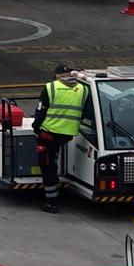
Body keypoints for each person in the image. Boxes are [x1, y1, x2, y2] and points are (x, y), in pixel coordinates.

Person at [33, 64, 87, 214]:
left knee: (46, 165)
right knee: (53, 157)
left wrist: (36, 128)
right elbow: (83, 112)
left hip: (49, 133)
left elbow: (41, 111)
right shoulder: (83, 89)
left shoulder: (51, 87)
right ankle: (55, 184)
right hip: (67, 134)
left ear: (56, 75)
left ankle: (51, 202)